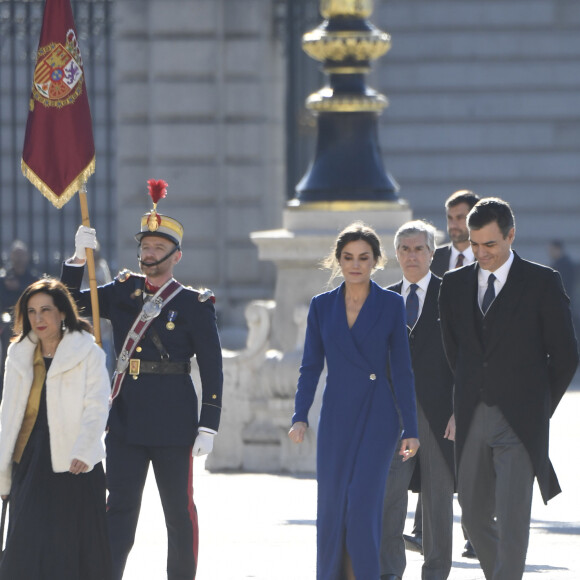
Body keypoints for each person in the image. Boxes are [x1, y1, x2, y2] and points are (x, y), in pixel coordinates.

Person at [62, 179, 223, 580]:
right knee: (119, 511)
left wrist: (209, 425)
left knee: (179, 514)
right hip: (126, 419)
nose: (149, 255)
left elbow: (213, 366)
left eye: (157, 248)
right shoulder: (121, 291)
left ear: (176, 255)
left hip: (174, 421)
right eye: (145, 248)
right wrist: (76, 263)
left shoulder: (193, 304)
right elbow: (67, 305)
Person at [439, 198, 578, 579]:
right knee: (472, 514)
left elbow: (565, 356)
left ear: (511, 236)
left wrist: (538, 406)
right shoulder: (453, 285)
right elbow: (457, 350)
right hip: (473, 414)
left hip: (520, 421)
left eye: (491, 245)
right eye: (475, 244)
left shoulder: (542, 282)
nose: (481, 253)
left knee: (514, 520)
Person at [288, 221, 419, 580]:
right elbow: (310, 366)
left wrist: (411, 426)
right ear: (338, 260)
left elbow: (403, 370)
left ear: (376, 261)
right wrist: (300, 415)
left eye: (363, 257)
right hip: (336, 418)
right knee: (332, 509)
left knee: (362, 506)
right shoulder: (321, 306)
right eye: (348, 257)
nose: (355, 264)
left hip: (379, 418)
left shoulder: (392, 304)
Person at [0, 278, 111, 579]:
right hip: (29, 459)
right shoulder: (19, 354)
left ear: (62, 313)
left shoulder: (88, 352)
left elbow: (98, 405)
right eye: (32, 311)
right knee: (25, 545)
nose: (38, 319)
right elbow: (8, 412)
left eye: (45, 310)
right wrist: (4, 468)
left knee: (70, 550)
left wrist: (85, 449)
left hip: (74, 463)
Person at [407, 188, 480, 560]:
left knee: (468, 465)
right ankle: (425, 532)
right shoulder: (434, 261)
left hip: (470, 378)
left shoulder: (488, 262)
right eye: (450, 218)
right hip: (433, 384)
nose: (455, 226)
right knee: (436, 463)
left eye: (462, 218)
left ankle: (476, 532)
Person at [380, 221, 455, 580]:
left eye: (419, 249)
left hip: (440, 417)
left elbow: (466, 360)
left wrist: (459, 411)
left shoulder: (452, 294)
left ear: (432, 253)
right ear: (396, 254)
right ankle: (389, 572)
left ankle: (436, 573)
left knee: (438, 503)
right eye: (405, 249)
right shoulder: (382, 300)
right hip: (394, 418)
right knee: (389, 500)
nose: (412, 255)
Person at [0, 240, 39, 399]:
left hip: (28, 327)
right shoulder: (4, 278)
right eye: (16, 255)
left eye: (21, 255)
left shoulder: (32, 279)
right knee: (7, 362)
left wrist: (20, 287)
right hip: (7, 328)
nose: (18, 259)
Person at [430, 190, 481, 277]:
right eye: (450, 218)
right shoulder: (431, 259)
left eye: (459, 218)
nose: (453, 225)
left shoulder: (488, 257)